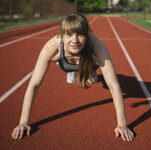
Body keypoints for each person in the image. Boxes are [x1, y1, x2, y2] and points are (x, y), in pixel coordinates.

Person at [12, 12, 134, 141]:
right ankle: (72, 71)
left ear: (86, 36)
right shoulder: (51, 48)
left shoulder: (97, 47)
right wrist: (23, 122)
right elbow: (34, 84)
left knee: (93, 72)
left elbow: (113, 85)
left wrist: (122, 124)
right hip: (65, 64)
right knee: (69, 67)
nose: (74, 40)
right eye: (69, 35)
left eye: (80, 35)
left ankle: (88, 71)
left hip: (90, 63)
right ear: (61, 36)